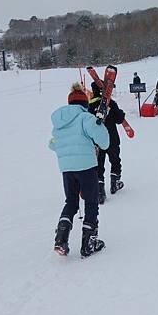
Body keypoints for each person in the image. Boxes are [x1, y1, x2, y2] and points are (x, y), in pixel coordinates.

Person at [49, 83, 109, 258]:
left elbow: (52, 144)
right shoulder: (86, 118)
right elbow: (104, 142)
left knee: (71, 202)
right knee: (91, 202)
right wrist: (100, 125)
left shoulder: (59, 123)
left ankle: (61, 238)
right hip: (86, 167)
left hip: (67, 169)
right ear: (85, 104)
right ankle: (89, 243)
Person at [88, 81, 126, 203]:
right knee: (115, 160)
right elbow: (119, 119)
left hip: (97, 140)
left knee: (99, 165)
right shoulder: (110, 103)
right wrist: (120, 113)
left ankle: (100, 191)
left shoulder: (90, 106)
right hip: (112, 139)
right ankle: (115, 181)